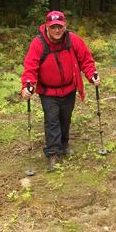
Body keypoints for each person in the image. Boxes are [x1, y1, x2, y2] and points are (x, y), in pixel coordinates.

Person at [21, 10, 101, 172]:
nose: (57, 30)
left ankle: (64, 144)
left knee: (65, 118)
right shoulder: (38, 43)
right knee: (52, 120)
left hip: (69, 88)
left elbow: (86, 59)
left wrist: (91, 75)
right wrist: (27, 85)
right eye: (53, 27)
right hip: (48, 92)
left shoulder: (73, 40)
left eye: (60, 27)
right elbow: (31, 66)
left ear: (65, 26)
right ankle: (53, 153)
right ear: (47, 27)